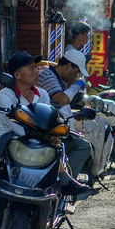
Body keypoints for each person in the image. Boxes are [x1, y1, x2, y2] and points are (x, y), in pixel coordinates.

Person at [0, 50, 88, 196]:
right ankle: (64, 179)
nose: (36, 71)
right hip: (11, 138)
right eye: (31, 68)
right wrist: (44, 136)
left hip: (39, 138)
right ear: (17, 75)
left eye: (36, 67)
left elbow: (49, 119)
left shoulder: (42, 94)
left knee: (58, 145)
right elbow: (17, 128)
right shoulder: (5, 95)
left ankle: (58, 183)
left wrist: (51, 134)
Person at [36, 47, 94, 184]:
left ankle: (65, 181)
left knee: (82, 145)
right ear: (68, 66)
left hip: (56, 127)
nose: (75, 77)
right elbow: (62, 99)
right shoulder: (48, 76)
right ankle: (65, 183)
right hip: (44, 130)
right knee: (82, 147)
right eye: (75, 72)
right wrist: (78, 84)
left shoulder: (60, 80)